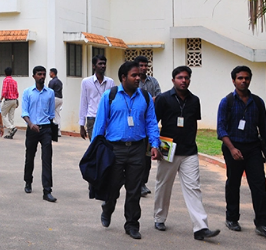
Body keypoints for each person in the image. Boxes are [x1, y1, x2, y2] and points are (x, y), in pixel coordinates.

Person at [93, 61, 160, 240]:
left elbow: (151, 122)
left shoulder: (145, 97)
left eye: (139, 75)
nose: (138, 78)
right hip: (115, 149)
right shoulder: (110, 96)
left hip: (138, 149)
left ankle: (131, 224)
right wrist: (95, 150)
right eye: (134, 75)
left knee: (134, 190)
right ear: (123, 78)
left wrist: (154, 144)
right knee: (113, 187)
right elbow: (100, 125)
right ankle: (108, 208)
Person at [153, 66, 220, 240]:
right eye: (180, 77)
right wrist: (155, 146)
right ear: (173, 80)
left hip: (189, 150)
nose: (184, 80)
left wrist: (191, 142)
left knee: (194, 188)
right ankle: (159, 218)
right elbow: (153, 124)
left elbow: (193, 125)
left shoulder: (194, 100)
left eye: (186, 78)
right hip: (167, 150)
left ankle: (201, 228)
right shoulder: (163, 99)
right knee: (163, 185)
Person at [217, 65, 266, 239]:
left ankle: (263, 223)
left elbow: (264, 126)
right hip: (232, 148)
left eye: (246, 78)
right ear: (233, 80)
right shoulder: (226, 101)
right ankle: (232, 218)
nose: (244, 81)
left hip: (253, 149)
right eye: (240, 78)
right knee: (233, 183)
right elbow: (221, 129)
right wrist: (233, 149)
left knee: (258, 185)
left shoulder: (257, 102)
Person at [21, 65, 57, 202]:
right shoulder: (28, 92)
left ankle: (47, 191)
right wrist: (31, 124)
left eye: (43, 74)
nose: (42, 77)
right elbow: (24, 112)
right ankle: (28, 181)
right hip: (32, 129)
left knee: (47, 159)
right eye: (39, 74)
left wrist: (47, 125)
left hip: (46, 129)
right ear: (34, 76)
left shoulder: (50, 93)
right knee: (30, 156)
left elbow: (52, 113)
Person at [135, 55, 161, 197]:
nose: (144, 68)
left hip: (150, 124)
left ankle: (142, 184)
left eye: (146, 65)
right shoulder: (134, 82)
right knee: (137, 157)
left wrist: (150, 100)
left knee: (147, 157)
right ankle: (136, 183)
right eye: (141, 65)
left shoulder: (153, 81)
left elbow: (159, 96)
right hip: (136, 125)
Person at [79, 55, 115, 141]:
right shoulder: (86, 82)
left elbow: (113, 102)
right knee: (95, 145)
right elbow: (84, 102)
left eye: (104, 64)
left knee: (107, 144)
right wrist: (82, 125)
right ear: (94, 66)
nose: (103, 66)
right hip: (92, 118)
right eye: (100, 64)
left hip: (107, 118)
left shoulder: (110, 82)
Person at [0, 67, 19, 139]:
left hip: (8, 100)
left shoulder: (5, 80)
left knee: (2, 114)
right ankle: (11, 133)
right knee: (11, 116)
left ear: (5, 73)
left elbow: (4, 91)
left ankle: (12, 127)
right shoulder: (14, 81)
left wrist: (1, 99)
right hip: (14, 100)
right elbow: (17, 92)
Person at [48, 68, 63, 137]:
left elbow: (49, 92)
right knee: (57, 115)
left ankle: (49, 130)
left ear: (53, 73)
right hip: (60, 99)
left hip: (54, 98)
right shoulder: (59, 81)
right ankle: (58, 131)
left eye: (50, 72)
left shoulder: (52, 82)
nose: (49, 74)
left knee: (49, 113)